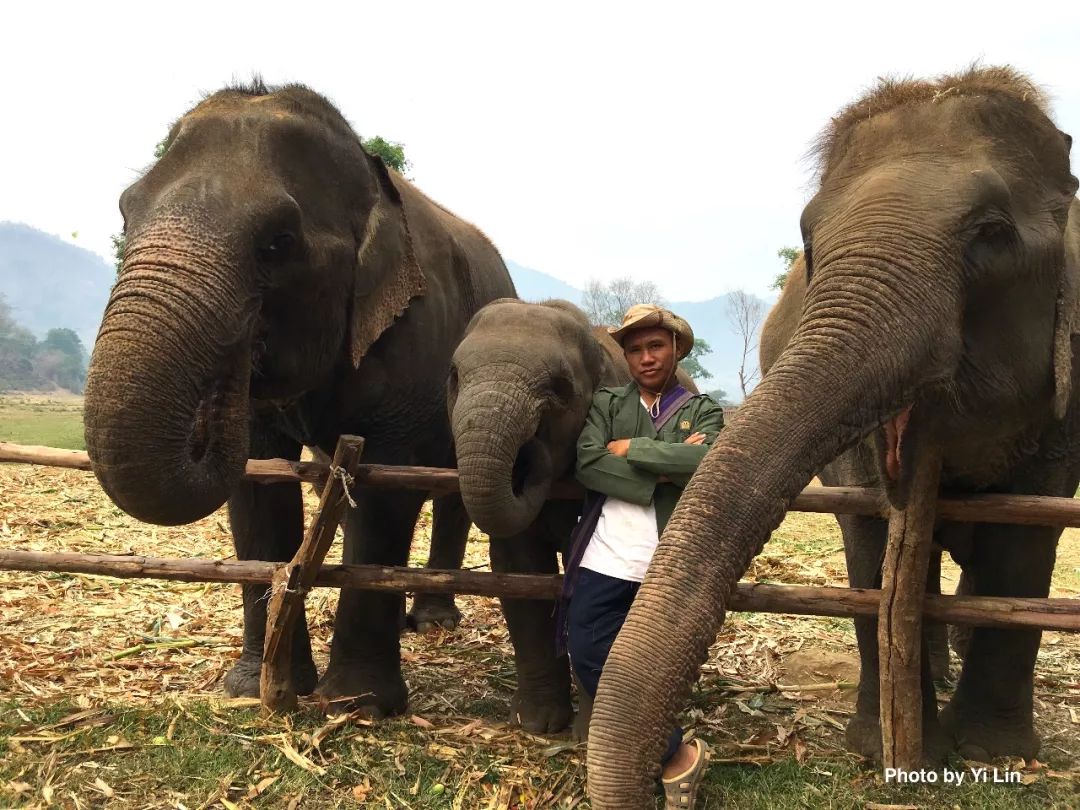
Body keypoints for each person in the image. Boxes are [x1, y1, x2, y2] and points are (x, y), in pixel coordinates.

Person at [563, 303, 725, 810]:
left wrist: (632, 447)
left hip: (673, 558)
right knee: (586, 648)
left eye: (655, 346)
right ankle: (675, 752)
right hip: (607, 555)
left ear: (676, 349)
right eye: (634, 349)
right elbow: (588, 464)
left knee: (658, 663)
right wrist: (665, 468)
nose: (645, 357)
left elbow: (709, 460)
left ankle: (639, 752)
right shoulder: (608, 401)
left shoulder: (702, 410)